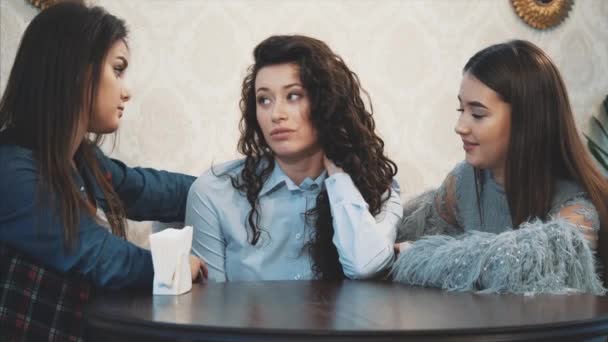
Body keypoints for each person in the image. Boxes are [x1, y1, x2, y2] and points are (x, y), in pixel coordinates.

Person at [0, 2, 206, 340]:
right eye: (118, 69)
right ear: (75, 70)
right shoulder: (12, 170)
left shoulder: (81, 160)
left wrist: (228, 186)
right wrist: (173, 267)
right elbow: (95, 254)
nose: (127, 90)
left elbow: (145, 189)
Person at [392, 40, 608, 295]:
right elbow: (398, 240)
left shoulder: (576, 206)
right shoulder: (463, 182)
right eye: (462, 109)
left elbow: (533, 269)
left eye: (478, 114)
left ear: (527, 121)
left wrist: (420, 257)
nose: (460, 126)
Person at [186, 35, 402, 282]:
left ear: (327, 103)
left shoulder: (376, 187)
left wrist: (340, 177)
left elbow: (365, 266)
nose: (276, 114)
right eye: (264, 100)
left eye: (293, 96)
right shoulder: (213, 192)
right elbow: (208, 308)